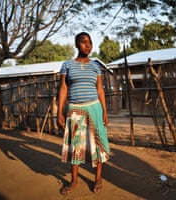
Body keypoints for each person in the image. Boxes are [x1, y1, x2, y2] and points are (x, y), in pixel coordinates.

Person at [57, 32, 110, 195]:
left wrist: (105, 111)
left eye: (90, 42)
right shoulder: (67, 65)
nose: (88, 45)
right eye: (83, 42)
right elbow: (63, 88)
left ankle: (98, 178)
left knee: (98, 142)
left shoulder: (96, 66)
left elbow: (99, 89)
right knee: (76, 145)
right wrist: (59, 112)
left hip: (94, 108)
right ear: (76, 44)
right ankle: (74, 181)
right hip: (74, 109)